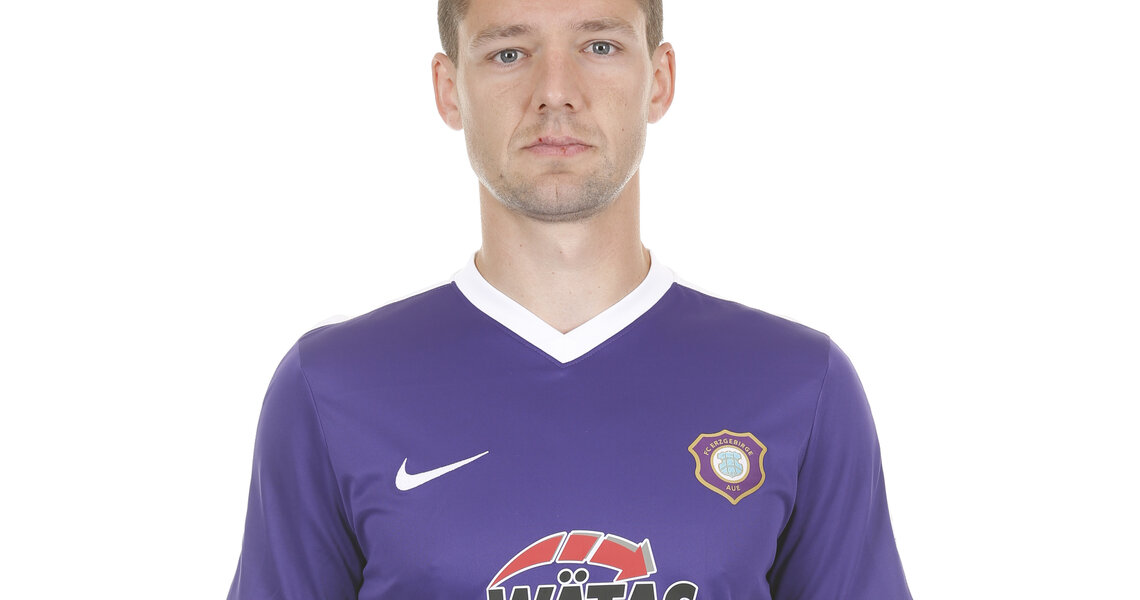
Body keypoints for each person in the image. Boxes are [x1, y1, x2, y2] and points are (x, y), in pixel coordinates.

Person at [226, 0, 912, 598]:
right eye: (509, 52)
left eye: (600, 46)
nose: (555, 92)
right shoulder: (331, 388)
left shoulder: (800, 385)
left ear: (660, 80)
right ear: (449, 90)